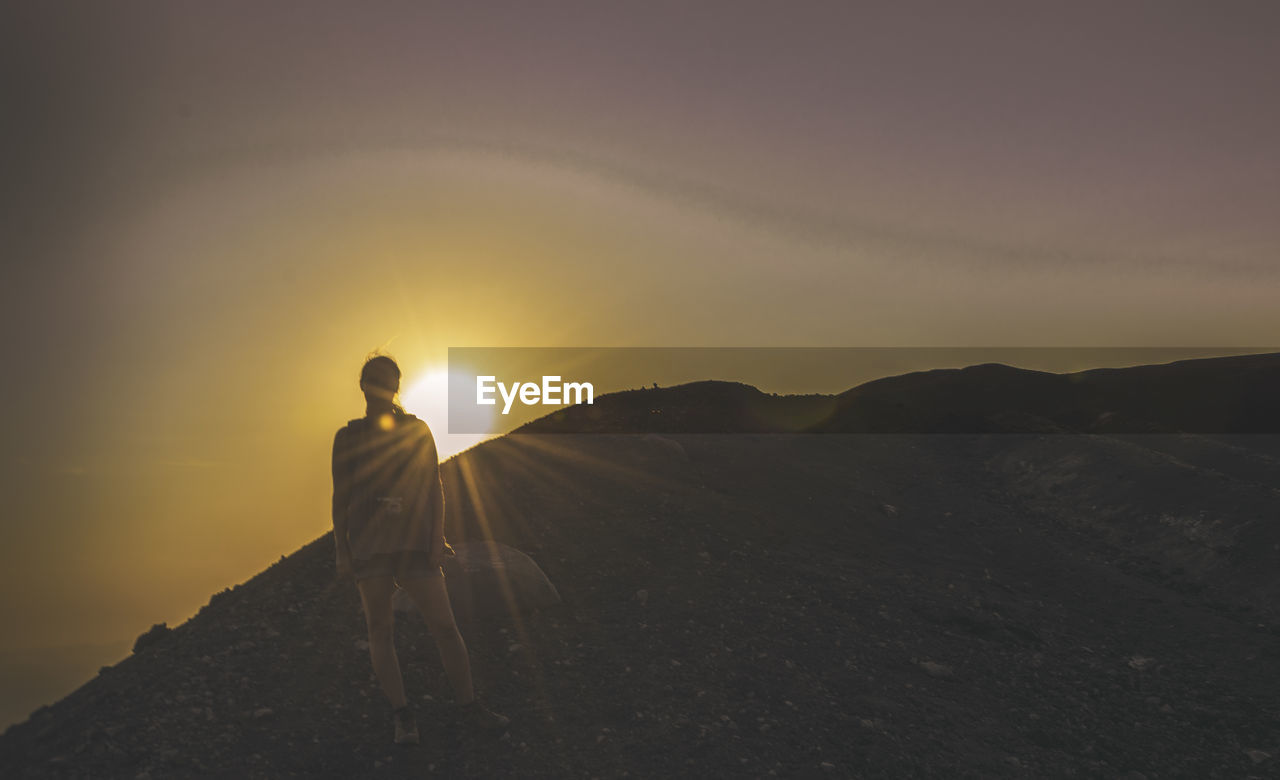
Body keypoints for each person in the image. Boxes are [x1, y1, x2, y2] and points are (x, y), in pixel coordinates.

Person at [331, 353, 509, 745]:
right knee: (380, 628)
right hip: (369, 545)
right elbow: (340, 497)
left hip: (413, 542)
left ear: (396, 386)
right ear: (363, 385)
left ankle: (468, 706)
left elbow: (433, 487)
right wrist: (342, 552)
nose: (383, 387)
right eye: (377, 379)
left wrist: (435, 538)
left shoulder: (416, 430)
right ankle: (403, 716)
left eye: (389, 380)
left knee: (444, 626)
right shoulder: (348, 437)